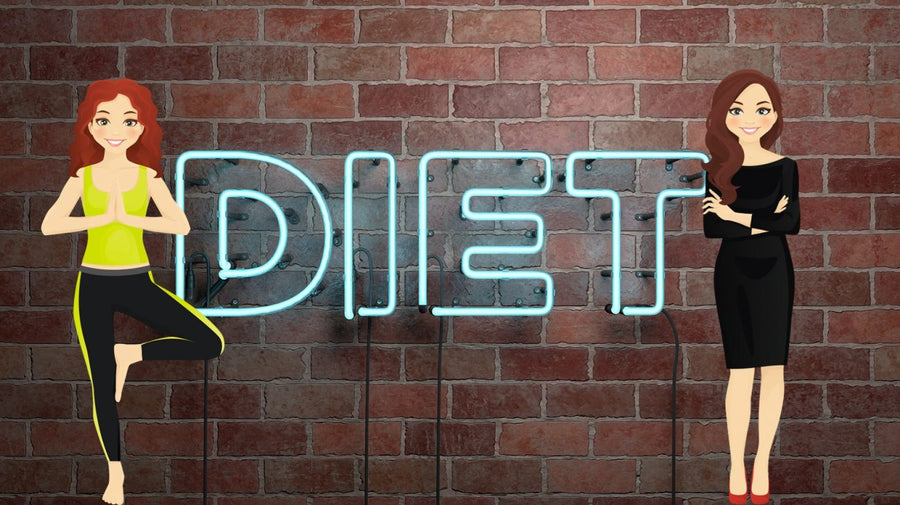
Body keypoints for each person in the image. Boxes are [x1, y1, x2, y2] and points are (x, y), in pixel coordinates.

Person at [42, 79, 224, 505]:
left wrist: (131, 217)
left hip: (137, 280)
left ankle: (133, 353)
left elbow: (178, 224)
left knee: (209, 341)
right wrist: (102, 215)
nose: (116, 128)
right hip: (93, 286)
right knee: (101, 386)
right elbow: (51, 224)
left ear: (141, 129)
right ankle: (116, 476)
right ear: (90, 126)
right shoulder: (83, 178)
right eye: (104, 119)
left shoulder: (147, 177)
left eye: (127, 120)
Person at [701, 69, 800, 505]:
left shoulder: (786, 168)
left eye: (761, 109)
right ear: (724, 115)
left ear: (774, 115)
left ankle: (762, 462)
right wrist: (762, 221)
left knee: (773, 369)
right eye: (738, 109)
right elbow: (710, 228)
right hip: (733, 272)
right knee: (740, 371)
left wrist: (738, 217)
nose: (749, 118)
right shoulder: (717, 170)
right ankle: (735, 462)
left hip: (775, 271)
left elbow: (790, 223)